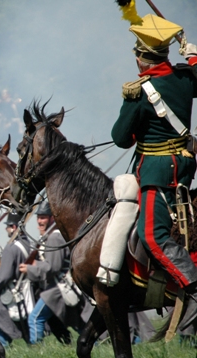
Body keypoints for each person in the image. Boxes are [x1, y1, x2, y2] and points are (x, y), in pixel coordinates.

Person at [112, 15, 197, 300]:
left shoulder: (139, 93)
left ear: (140, 59)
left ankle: (192, 283)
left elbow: (121, 138)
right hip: (185, 167)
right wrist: (194, 56)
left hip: (157, 173)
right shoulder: (187, 78)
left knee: (150, 234)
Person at [22, 200, 83, 345]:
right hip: (60, 287)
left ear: (52, 218)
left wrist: (29, 269)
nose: (40, 221)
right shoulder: (54, 236)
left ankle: (36, 352)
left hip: (58, 287)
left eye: (43, 217)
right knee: (79, 324)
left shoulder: (54, 237)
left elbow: (53, 268)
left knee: (35, 318)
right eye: (39, 217)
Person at [0, 212, 31, 346]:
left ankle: (2, 347)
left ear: (13, 227)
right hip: (25, 292)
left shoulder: (11, 248)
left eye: (8, 226)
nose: (6, 229)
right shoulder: (28, 244)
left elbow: (3, 277)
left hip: (11, 292)